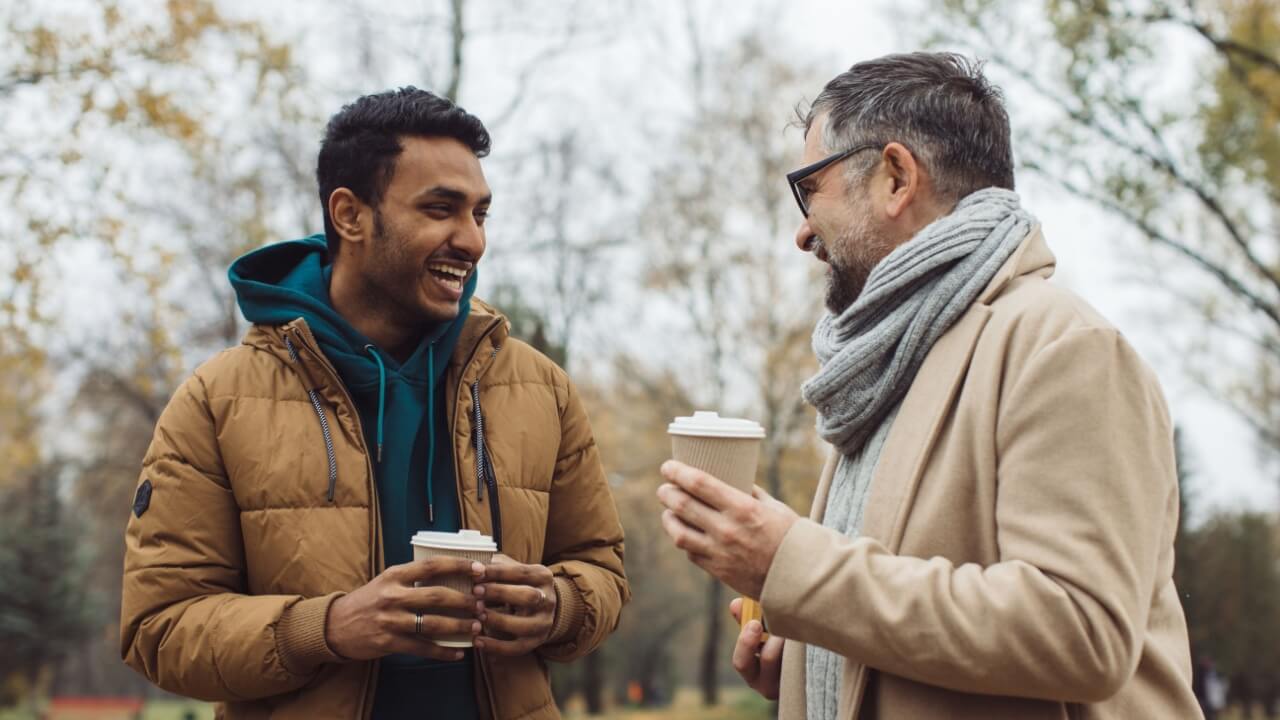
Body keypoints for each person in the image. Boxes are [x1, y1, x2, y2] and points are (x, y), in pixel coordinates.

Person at [655, 52, 1202, 719]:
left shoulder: (1065, 348)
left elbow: (1080, 631)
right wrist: (811, 656)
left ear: (894, 177)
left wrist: (788, 562)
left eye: (809, 188)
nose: (801, 231)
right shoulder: (889, 366)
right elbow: (903, 616)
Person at [120, 87, 629, 719]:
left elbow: (601, 569)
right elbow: (159, 628)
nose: (471, 241)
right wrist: (328, 627)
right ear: (350, 215)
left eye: (480, 214)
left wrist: (560, 605)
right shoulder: (216, 401)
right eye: (441, 208)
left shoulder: (541, 389)